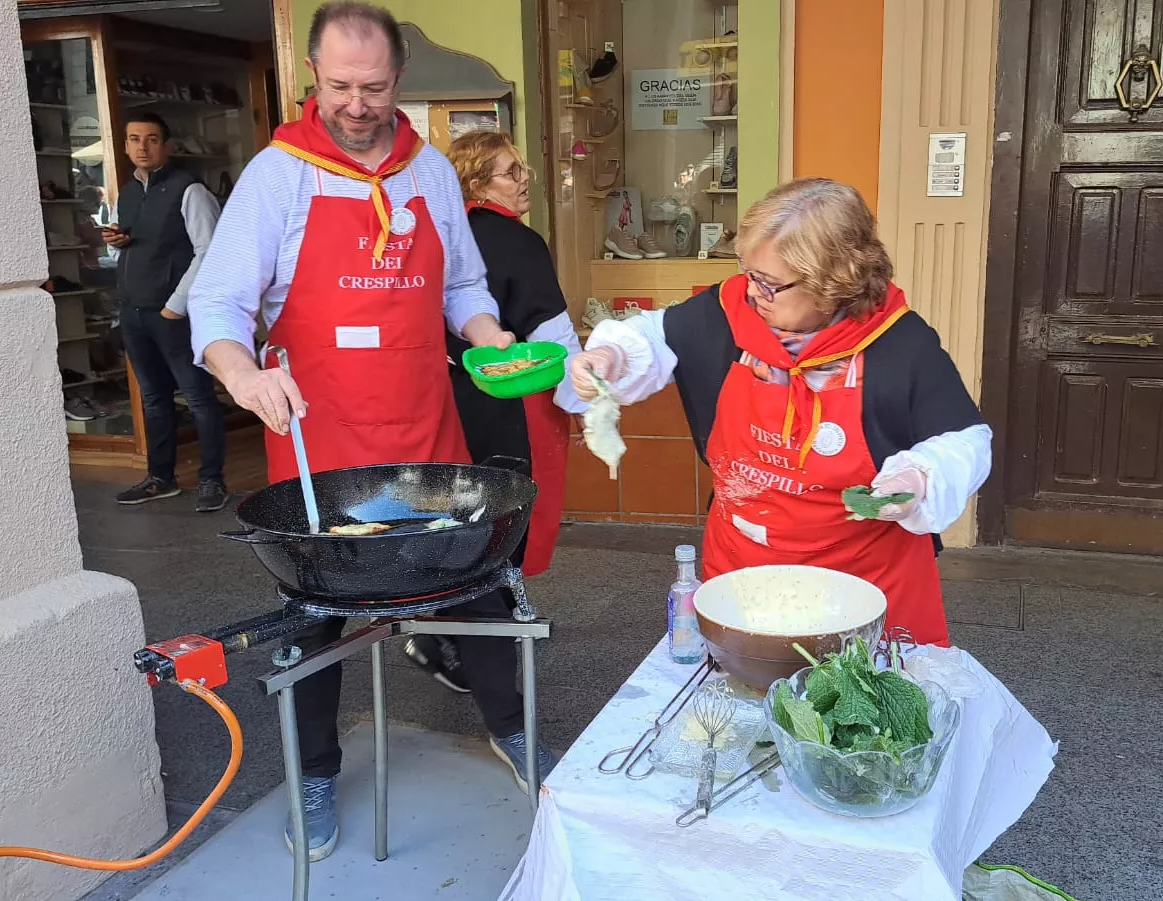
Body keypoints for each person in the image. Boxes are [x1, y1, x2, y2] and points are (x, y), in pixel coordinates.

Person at [186, 1, 553, 862]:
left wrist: (490, 336)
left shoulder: (428, 175)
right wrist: (243, 374)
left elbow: (464, 286)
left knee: (479, 585)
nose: (358, 103)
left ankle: (517, 730)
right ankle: (315, 772)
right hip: (325, 440)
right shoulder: (279, 176)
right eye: (342, 85)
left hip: (425, 427)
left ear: (400, 82)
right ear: (316, 77)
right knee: (315, 614)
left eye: (376, 86)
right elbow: (219, 303)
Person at [571, 178, 993, 646]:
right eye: (749, 273)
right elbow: (652, 336)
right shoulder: (730, 310)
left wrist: (918, 480)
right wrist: (609, 357)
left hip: (863, 583)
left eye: (770, 283)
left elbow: (964, 440)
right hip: (742, 566)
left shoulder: (899, 342)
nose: (752, 293)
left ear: (834, 282)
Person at [402, 130, 589, 690]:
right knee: (511, 517)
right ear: (478, 182)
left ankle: (450, 624)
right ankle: (467, 637)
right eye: (511, 171)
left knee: (462, 516)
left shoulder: (438, 239)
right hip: (513, 402)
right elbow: (551, 333)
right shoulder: (518, 241)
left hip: (446, 401)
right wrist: (581, 402)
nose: (524, 177)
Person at [105, 111, 228, 511]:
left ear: (168, 146)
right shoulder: (126, 192)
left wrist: (175, 307)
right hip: (134, 312)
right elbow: (124, 249)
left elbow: (210, 252)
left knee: (197, 397)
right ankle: (161, 478)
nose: (143, 146)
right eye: (135, 139)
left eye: (153, 139)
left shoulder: (188, 190)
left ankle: (213, 480)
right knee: (154, 399)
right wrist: (116, 244)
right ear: (125, 146)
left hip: (172, 314)